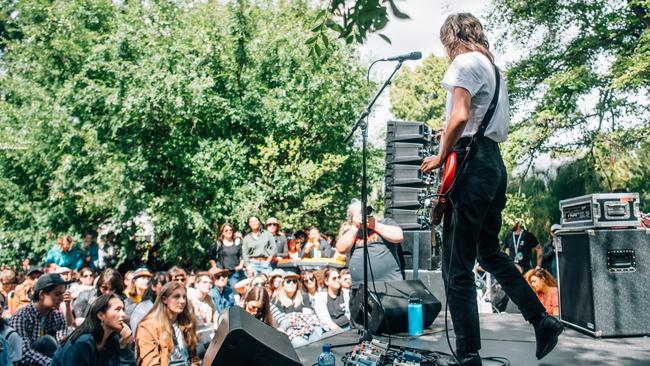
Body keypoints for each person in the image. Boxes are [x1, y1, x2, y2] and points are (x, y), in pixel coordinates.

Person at [419, 13, 562, 365]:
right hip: (492, 166)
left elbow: (461, 117)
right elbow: (479, 121)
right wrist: (449, 138)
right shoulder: (494, 70)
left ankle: (468, 356)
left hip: (470, 165)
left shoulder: (464, 62)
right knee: (489, 254)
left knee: (456, 268)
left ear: (451, 37)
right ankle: (541, 320)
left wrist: (440, 155)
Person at [335, 199, 404, 288]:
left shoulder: (385, 223)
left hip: (389, 284)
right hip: (359, 287)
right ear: (352, 217)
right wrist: (355, 227)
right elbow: (341, 249)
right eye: (359, 213)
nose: (364, 215)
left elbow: (398, 236)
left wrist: (374, 225)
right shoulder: (351, 232)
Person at [51, 294, 135, 366]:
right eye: (118, 309)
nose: (123, 314)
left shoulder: (113, 340)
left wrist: (124, 347)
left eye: (123, 310)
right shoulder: (82, 343)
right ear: (101, 315)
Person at [10, 273, 72, 366]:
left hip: (51, 361)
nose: (62, 298)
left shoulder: (58, 316)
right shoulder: (21, 317)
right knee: (46, 340)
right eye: (57, 294)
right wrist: (53, 364)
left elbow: (62, 344)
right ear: (42, 294)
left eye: (62, 294)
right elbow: (23, 353)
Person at [136, 282, 199, 366]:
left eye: (184, 297)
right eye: (176, 297)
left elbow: (194, 359)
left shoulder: (187, 323)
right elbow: (150, 363)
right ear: (164, 299)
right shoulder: (147, 327)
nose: (182, 301)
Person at [209, 223, 245, 288]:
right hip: (221, 273)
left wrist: (240, 265)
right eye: (226, 230)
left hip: (233, 273)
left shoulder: (237, 243)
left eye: (230, 230)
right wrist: (215, 268)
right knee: (221, 291)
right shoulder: (218, 243)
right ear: (222, 232)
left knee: (233, 291)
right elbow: (212, 258)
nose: (229, 232)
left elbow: (243, 256)